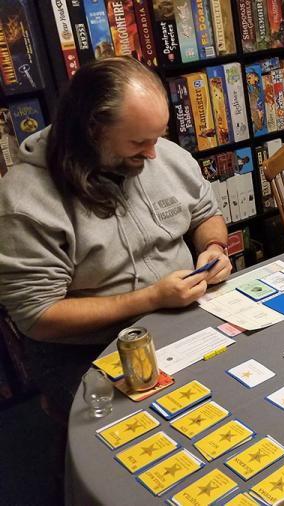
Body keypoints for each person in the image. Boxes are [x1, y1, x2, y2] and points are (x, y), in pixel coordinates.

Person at [0, 57, 232, 415]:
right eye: (139, 142)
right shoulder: (25, 200)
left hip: (180, 314)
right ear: (92, 130)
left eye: (158, 137)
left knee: (237, 390)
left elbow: (206, 214)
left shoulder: (162, 155)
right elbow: (38, 315)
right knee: (142, 435)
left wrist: (213, 248)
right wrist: (151, 299)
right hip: (85, 348)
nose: (153, 153)